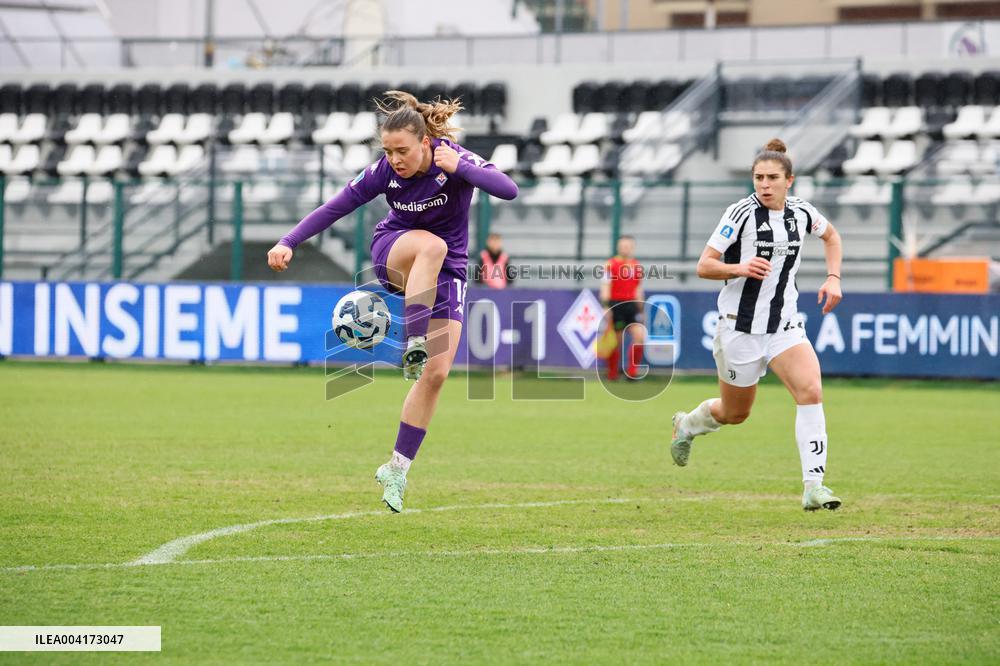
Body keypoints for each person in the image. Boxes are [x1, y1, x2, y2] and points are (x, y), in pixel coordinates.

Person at [266, 91, 518, 512]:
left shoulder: (451, 159)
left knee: (436, 376)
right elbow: (335, 207)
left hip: (447, 274)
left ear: (425, 142)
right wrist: (289, 240)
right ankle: (412, 341)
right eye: (388, 150)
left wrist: (463, 169)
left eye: (402, 150)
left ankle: (396, 469)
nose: (395, 159)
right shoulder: (385, 172)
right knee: (431, 246)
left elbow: (508, 189)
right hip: (395, 254)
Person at [670, 138, 844, 512]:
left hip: (784, 326)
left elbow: (831, 236)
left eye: (772, 178)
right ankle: (687, 424)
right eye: (758, 177)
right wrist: (739, 268)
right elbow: (704, 265)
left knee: (811, 390)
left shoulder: (802, 213)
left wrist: (833, 277)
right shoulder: (740, 214)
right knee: (736, 414)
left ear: (789, 181)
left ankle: (814, 486)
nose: (764, 184)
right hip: (739, 329)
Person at [599, 235, 645, 380]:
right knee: (616, 341)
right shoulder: (610, 265)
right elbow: (605, 286)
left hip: (631, 306)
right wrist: (606, 307)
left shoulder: (636, 266)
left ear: (632, 248)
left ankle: (632, 373)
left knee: (640, 336)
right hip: (616, 305)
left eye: (628, 246)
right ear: (619, 247)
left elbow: (638, 288)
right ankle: (612, 373)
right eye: (623, 246)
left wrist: (641, 308)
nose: (625, 248)